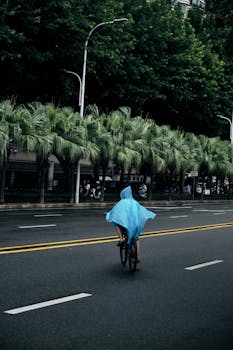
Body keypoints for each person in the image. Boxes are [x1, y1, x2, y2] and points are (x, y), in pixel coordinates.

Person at [106, 186, 156, 262]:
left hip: (124, 226)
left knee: (116, 223)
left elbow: (115, 213)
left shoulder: (121, 202)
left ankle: (121, 239)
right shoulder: (135, 202)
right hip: (135, 225)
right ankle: (137, 257)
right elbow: (141, 212)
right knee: (136, 238)